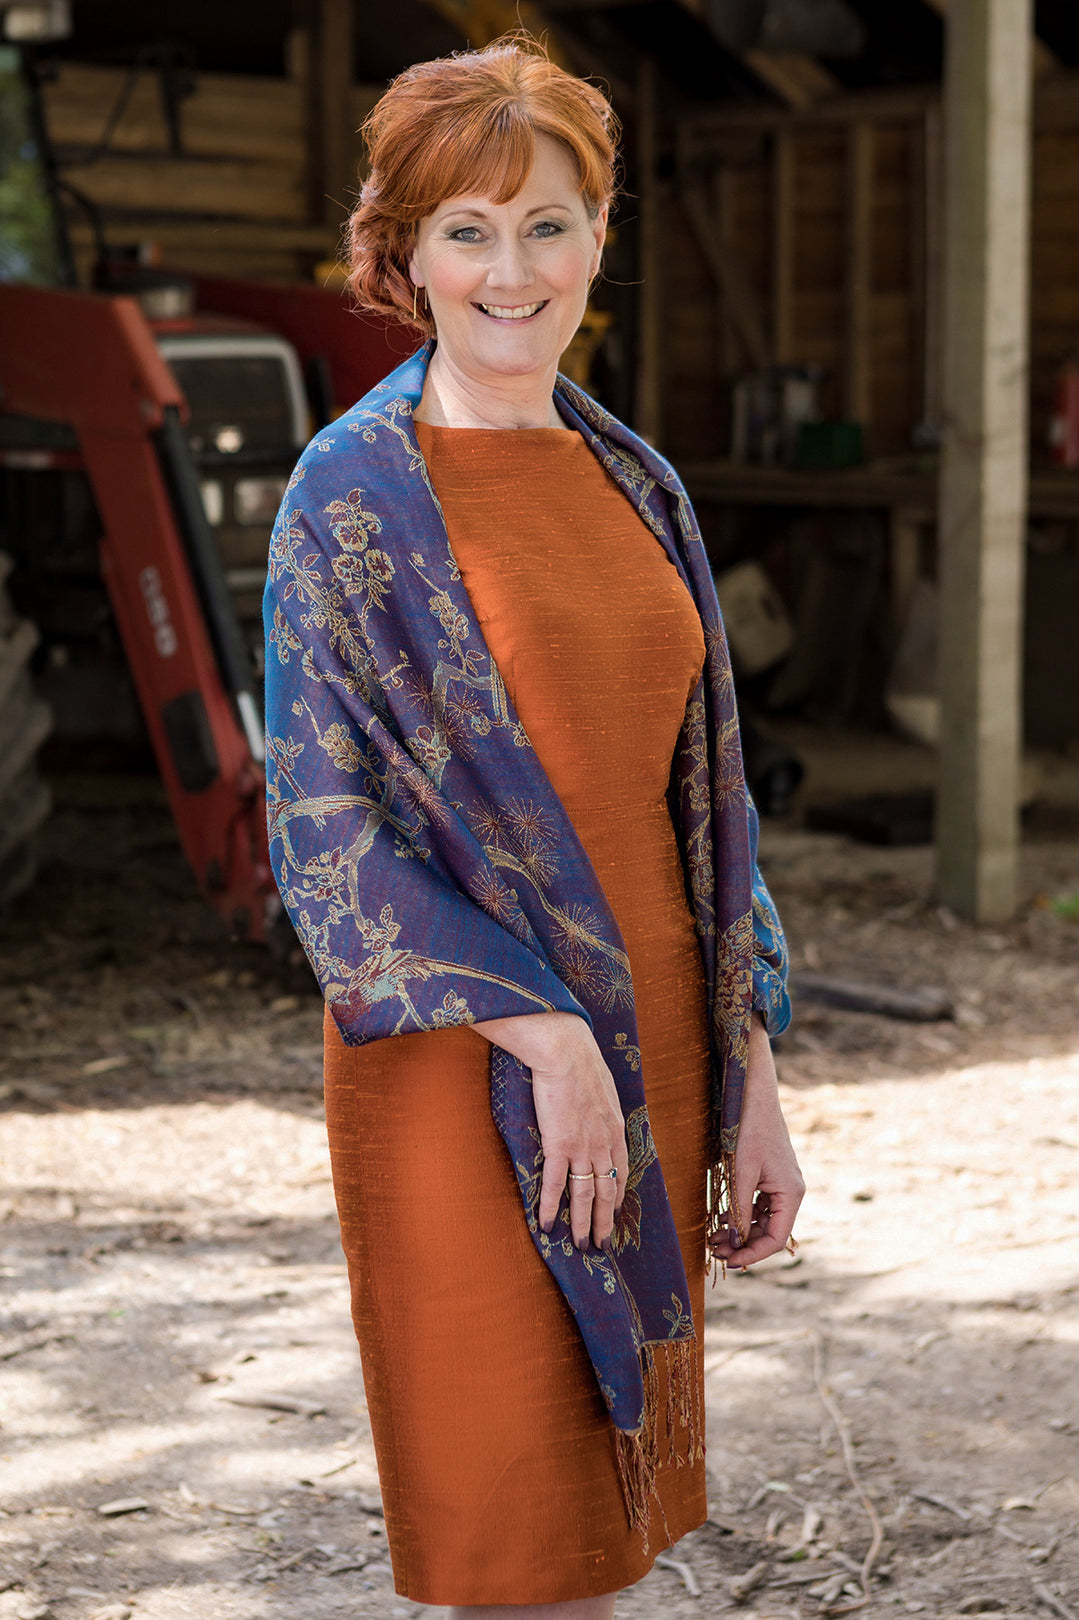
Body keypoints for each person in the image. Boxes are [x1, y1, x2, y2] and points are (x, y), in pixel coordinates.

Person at [263, 35, 804, 1620]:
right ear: (405, 254)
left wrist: (756, 1067)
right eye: (469, 230)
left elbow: (711, 807)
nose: (514, 269)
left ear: (600, 237)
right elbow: (324, 833)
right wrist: (549, 1038)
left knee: (597, 1549)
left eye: (550, 223)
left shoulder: (640, 482)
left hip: (661, 1047)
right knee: (503, 1548)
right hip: (459, 1061)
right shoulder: (349, 497)